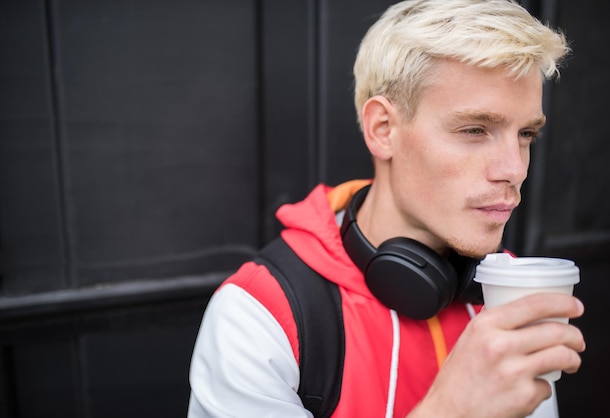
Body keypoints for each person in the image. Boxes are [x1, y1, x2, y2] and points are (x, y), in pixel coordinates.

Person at [187, 0, 586, 416]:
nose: (514, 170)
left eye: (525, 134)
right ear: (383, 129)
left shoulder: (506, 290)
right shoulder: (259, 314)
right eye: (474, 130)